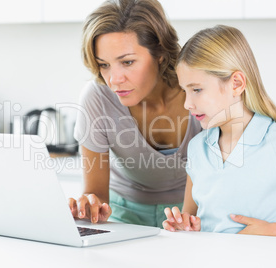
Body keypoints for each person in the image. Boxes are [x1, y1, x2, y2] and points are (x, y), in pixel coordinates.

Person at [163, 25, 276, 237]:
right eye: (185, 91)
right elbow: (191, 217)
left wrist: (271, 231)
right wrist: (185, 228)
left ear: (236, 84)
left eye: (196, 90)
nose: (187, 104)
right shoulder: (197, 148)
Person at [68, 0, 201, 228]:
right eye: (104, 64)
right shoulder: (97, 97)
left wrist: (188, 220)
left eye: (127, 62)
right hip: (124, 214)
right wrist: (90, 206)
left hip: (194, 212)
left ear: (159, 52)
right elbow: (96, 194)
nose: (114, 80)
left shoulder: (198, 89)